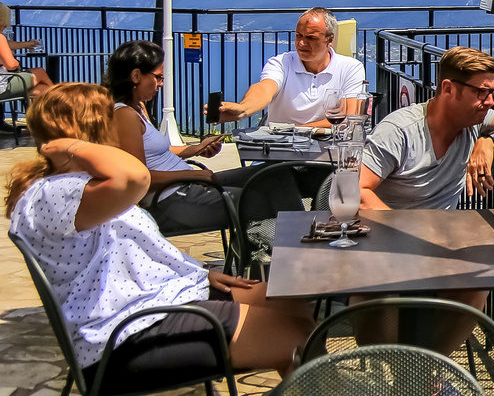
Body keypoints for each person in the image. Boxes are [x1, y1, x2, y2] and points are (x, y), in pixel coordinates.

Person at [6, 83, 314, 379]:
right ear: (93, 130)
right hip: (123, 334)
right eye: (107, 119)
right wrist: (71, 146)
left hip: (154, 302)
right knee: (297, 336)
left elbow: (129, 247)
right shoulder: (58, 192)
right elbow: (135, 176)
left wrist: (198, 273)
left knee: (289, 301)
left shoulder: (84, 187)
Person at [357, 46, 494, 351]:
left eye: (493, 93)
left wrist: (489, 142)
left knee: (476, 288)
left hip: (441, 251)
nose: (489, 101)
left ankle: (427, 371)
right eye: (482, 92)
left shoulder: (475, 124)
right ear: (448, 89)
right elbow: (359, 192)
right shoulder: (399, 131)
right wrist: (408, 235)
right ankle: (399, 375)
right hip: (386, 247)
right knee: (372, 297)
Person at [105, 40, 273, 236]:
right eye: (158, 77)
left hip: (184, 185)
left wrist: (197, 149)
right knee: (258, 200)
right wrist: (193, 175)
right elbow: (138, 177)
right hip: (170, 200)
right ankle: (263, 259)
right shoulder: (124, 115)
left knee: (270, 176)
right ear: (136, 76)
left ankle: (287, 249)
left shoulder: (138, 107)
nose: (161, 83)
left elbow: (154, 152)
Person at [218, 7, 366, 127]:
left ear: (330, 40)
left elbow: (349, 116)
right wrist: (243, 109)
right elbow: (264, 88)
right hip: (278, 151)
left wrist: (294, 130)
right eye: (298, 36)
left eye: (310, 38)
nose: (301, 43)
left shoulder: (351, 68)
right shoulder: (281, 63)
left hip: (326, 152)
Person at [0, 2, 52, 104]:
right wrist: (17, 64)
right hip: (1, 87)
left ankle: (47, 109)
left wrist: (26, 44)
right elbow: (11, 65)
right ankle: (60, 106)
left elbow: (7, 45)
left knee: (42, 89)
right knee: (40, 72)